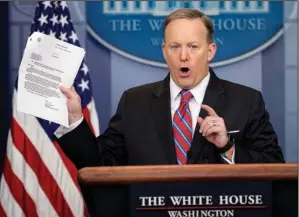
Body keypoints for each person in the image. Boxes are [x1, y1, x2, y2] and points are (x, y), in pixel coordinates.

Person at [55, 8, 285, 170]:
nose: (183, 56)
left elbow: (273, 167)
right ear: (164, 51)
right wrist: (75, 119)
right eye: (175, 47)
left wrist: (227, 147)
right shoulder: (134, 102)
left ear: (211, 51)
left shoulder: (246, 101)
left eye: (193, 47)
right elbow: (99, 164)